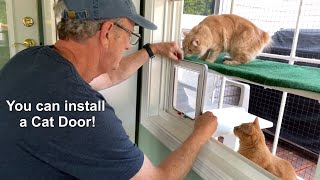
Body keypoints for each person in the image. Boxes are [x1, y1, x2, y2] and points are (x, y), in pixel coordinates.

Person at [0, 0, 218, 179]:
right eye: (130, 35)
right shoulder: (82, 110)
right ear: (107, 32)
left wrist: (152, 50)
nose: (127, 46)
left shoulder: (30, 59)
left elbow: (112, 75)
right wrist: (200, 134)